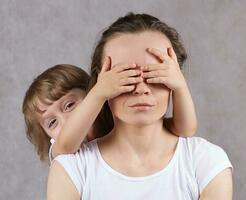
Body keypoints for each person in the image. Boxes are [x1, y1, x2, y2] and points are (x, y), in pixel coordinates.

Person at [47, 13, 233, 200]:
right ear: (100, 82)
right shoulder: (72, 169)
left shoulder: (207, 163)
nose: (141, 89)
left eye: (156, 75)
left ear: (175, 82)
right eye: (126, 77)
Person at [22, 41, 197, 162]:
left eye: (69, 105)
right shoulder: (63, 153)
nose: (66, 120)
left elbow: (185, 128)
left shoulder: (120, 124)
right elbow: (66, 143)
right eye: (52, 122)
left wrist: (179, 86)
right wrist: (99, 92)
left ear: (90, 94)